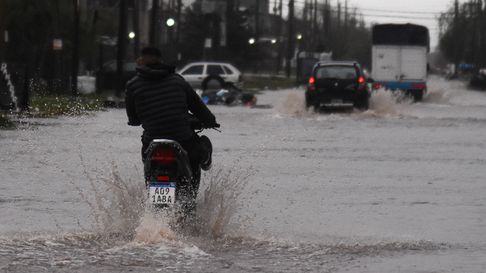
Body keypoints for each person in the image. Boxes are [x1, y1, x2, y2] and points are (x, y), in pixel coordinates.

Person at [125, 47, 218, 178]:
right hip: (182, 137)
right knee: (197, 152)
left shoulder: (132, 85)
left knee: (146, 154)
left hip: (151, 138)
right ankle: (204, 161)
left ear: (140, 61)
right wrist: (210, 121)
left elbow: (133, 120)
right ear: (160, 60)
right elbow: (197, 106)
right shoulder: (177, 81)